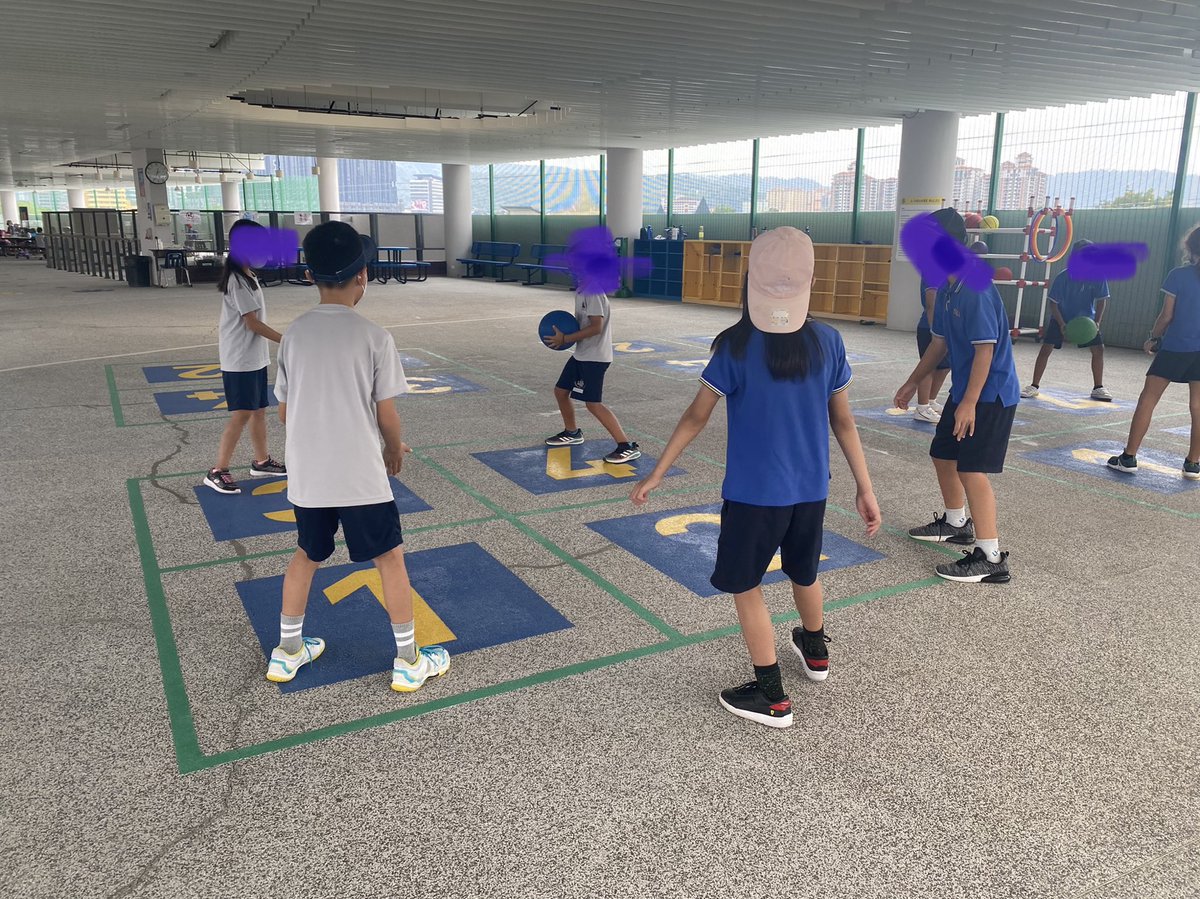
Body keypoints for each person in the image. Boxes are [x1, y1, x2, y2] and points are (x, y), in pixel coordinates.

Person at [630, 227, 881, 729]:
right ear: (810, 281)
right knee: (804, 571)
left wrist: (658, 471)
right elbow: (844, 422)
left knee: (746, 587)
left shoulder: (736, 346)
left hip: (752, 496)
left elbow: (696, 416)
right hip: (812, 490)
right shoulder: (829, 342)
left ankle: (771, 696)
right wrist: (865, 486)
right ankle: (815, 652)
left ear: (751, 282)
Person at [267, 221, 450, 691]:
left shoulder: (294, 335)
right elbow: (387, 414)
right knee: (389, 558)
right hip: (360, 477)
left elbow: (285, 413)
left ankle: (287, 652)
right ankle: (408, 661)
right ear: (363, 276)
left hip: (308, 476)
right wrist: (391, 447)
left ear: (309, 275)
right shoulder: (374, 336)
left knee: (306, 555)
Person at [895, 207, 1020, 584]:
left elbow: (985, 351)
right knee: (943, 454)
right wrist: (912, 383)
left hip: (990, 395)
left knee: (971, 468)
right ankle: (955, 523)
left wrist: (968, 403)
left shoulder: (974, 287)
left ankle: (991, 557)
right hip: (966, 391)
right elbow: (939, 344)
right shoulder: (949, 287)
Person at [1108, 225, 1200, 480]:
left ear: (1191, 249)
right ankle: (1193, 463)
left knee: (1148, 399)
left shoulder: (1178, 275)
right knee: (1198, 406)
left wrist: (1153, 337)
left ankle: (1128, 457)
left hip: (1176, 347)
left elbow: (1166, 315)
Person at [203, 219, 286, 495]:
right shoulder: (237, 281)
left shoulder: (248, 275)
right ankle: (218, 470)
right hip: (239, 360)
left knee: (258, 410)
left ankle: (262, 461)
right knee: (241, 414)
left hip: (254, 358)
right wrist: (286, 340)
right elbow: (252, 323)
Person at [543, 285, 640, 463]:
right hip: (582, 354)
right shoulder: (581, 289)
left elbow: (596, 327)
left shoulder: (592, 291)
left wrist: (565, 338)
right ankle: (572, 433)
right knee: (561, 391)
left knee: (593, 404)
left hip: (595, 358)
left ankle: (626, 446)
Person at [1020, 239, 1112, 401]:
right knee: (1046, 349)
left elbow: (1102, 301)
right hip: (1061, 318)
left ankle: (1098, 388)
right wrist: (1062, 324)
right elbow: (1053, 304)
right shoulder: (1063, 277)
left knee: (1099, 349)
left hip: (1086, 322)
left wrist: (1097, 322)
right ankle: (1034, 386)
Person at [914, 274, 952, 423]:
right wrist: (934, 330)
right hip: (930, 328)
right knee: (928, 367)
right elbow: (931, 303)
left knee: (945, 366)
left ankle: (931, 400)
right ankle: (922, 408)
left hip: (945, 329)